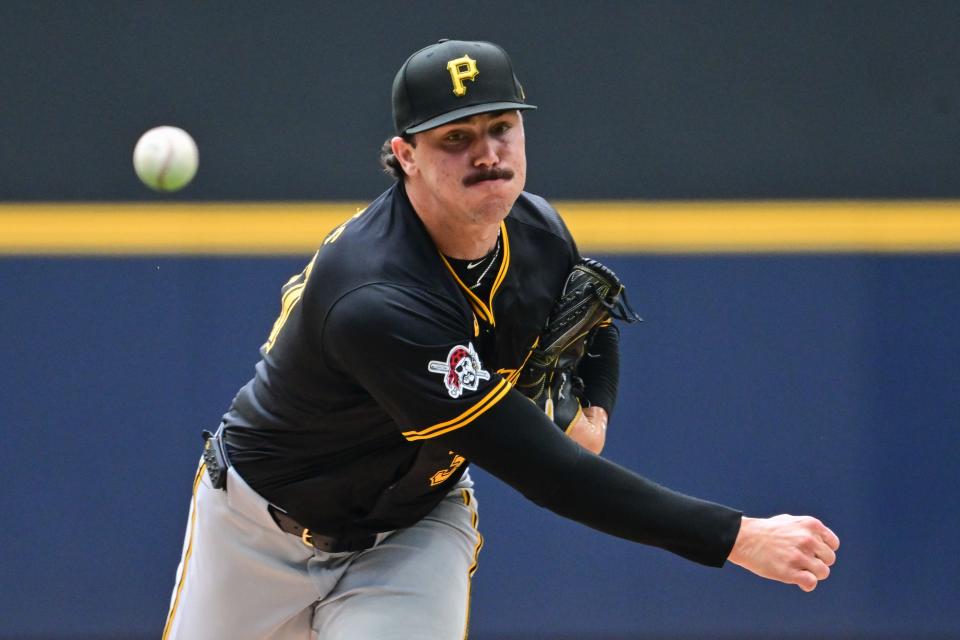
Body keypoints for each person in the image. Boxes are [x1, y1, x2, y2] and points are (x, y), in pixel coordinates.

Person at [163, 39, 840, 640]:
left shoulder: (538, 233)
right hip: (258, 530)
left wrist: (595, 407)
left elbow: (590, 318)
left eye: (501, 127)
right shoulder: (378, 299)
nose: (487, 153)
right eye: (455, 137)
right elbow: (548, 473)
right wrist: (736, 537)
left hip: (411, 530)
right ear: (406, 157)